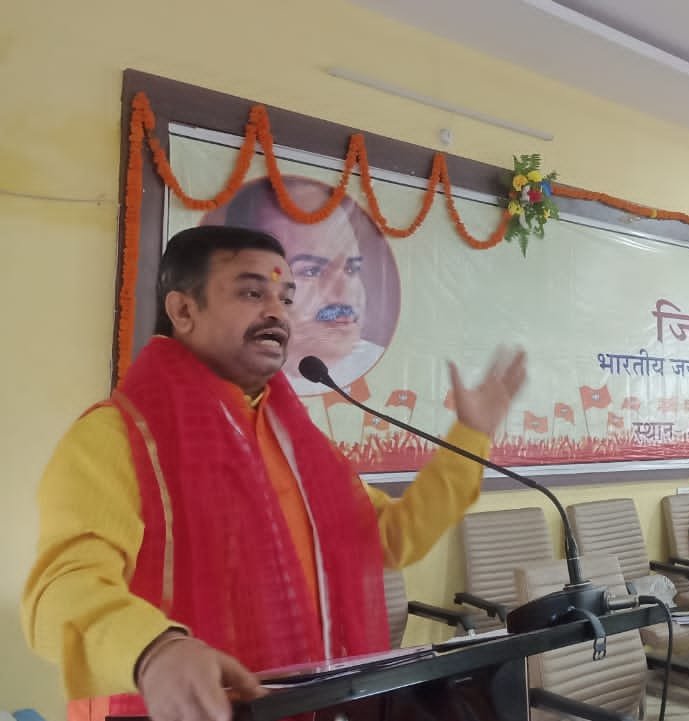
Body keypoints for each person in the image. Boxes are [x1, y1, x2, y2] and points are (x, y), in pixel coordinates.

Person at [21, 226, 527, 721]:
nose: (276, 313)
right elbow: (59, 590)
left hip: (298, 706)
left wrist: (470, 437)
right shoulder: (118, 436)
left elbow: (392, 537)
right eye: (251, 292)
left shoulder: (297, 444)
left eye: (285, 298)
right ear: (183, 310)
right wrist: (152, 650)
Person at [219, 176, 396, 395]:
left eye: (351, 269)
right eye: (312, 271)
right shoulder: (221, 374)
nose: (343, 293)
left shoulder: (387, 370)